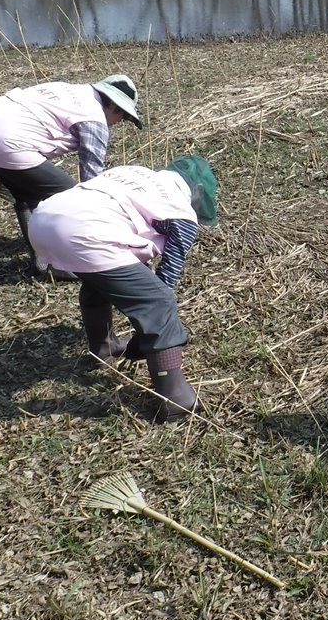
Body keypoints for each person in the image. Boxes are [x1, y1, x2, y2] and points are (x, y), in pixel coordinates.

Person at [28, 155, 217, 422]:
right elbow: (166, 279)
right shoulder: (182, 214)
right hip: (86, 232)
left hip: (43, 219)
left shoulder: (134, 173)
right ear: (196, 195)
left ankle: (104, 349)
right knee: (159, 301)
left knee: (100, 277)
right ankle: (175, 399)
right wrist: (146, 335)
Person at [0, 76, 142, 276]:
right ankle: (68, 262)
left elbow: (22, 120)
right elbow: (91, 179)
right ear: (115, 106)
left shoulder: (68, 89)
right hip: (7, 140)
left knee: (27, 194)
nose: (119, 123)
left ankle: (41, 262)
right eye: (124, 117)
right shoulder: (94, 118)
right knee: (68, 198)